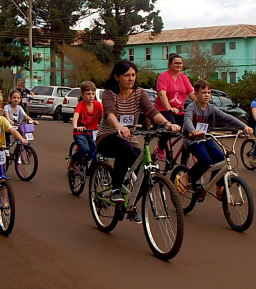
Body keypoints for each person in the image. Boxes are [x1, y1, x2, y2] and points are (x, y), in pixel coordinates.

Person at [97, 60, 178, 222]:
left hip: (130, 137)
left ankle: (131, 206)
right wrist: (118, 126)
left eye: (133, 75)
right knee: (124, 149)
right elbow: (110, 113)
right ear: (117, 77)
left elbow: (151, 110)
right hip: (107, 137)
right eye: (127, 75)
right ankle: (116, 190)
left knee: (145, 176)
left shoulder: (139, 93)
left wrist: (167, 123)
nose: (131, 79)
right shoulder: (108, 93)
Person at [176, 80, 253, 195]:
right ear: (196, 94)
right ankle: (186, 176)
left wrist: (244, 126)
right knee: (206, 161)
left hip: (206, 137)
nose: (207, 95)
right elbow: (187, 120)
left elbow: (227, 117)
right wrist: (192, 130)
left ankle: (219, 187)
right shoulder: (192, 107)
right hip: (192, 139)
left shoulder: (211, 109)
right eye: (203, 92)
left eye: (209, 92)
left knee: (220, 159)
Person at [153, 53, 196, 160]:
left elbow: (192, 94)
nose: (178, 65)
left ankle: (183, 163)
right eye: (176, 63)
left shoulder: (183, 78)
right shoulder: (163, 76)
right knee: (171, 128)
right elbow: (162, 94)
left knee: (190, 132)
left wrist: (202, 105)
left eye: (180, 63)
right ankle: (160, 147)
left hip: (179, 110)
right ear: (169, 64)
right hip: (163, 109)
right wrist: (169, 108)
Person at [70, 81, 102, 172]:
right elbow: (75, 116)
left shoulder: (97, 105)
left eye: (93, 94)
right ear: (82, 94)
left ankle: (92, 170)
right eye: (88, 94)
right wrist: (76, 127)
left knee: (96, 151)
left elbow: (105, 115)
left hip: (93, 132)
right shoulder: (81, 105)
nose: (91, 96)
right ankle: (72, 160)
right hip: (80, 132)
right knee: (85, 149)